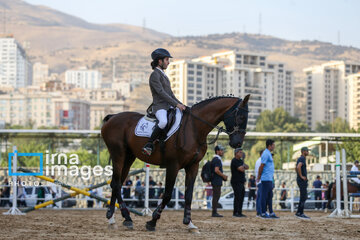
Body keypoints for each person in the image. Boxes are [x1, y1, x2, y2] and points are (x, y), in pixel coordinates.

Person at [142, 48, 186, 156]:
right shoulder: (154, 75)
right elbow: (161, 93)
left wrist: (182, 105)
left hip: (168, 106)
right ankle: (149, 144)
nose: (168, 62)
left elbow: (171, 94)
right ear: (159, 61)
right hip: (160, 107)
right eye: (166, 60)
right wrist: (176, 104)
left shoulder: (164, 76)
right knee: (163, 122)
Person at [257, 139, 279, 219]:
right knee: (264, 196)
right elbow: (261, 166)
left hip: (269, 179)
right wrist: (259, 176)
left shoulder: (268, 153)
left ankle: (271, 212)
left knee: (269, 196)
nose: (274, 146)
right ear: (270, 145)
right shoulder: (265, 154)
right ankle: (263, 213)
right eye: (273, 145)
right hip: (265, 179)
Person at [231, 148, 249, 217]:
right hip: (236, 181)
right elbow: (241, 169)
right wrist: (243, 166)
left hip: (241, 181)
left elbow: (247, 167)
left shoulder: (240, 161)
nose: (242, 154)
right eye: (240, 152)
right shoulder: (234, 160)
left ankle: (239, 212)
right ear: (236, 153)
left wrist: (243, 165)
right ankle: (235, 212)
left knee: (241, 197)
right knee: (237, 197)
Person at [211, 145, 228, 217]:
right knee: (216, 196)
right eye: (221, 150)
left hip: (214, 180)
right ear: (217, 151)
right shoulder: (217, 159)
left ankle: (214, 211)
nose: (222, 152)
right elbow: (216, 170)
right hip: (216, 180)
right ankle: (214, 212)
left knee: (216, 195)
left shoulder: (214, 159)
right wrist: (223, 176)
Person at [295, 146, 310, 219]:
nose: (308, 152)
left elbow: (296, 168)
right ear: (303, 151)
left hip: (301, 180)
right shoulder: (302, 158)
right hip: (302, 180)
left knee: (303, 196)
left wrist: (298, 175)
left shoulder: (301, 159)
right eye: (307, 151)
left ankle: (299, 212)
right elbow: (298, 167)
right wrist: (301, 176)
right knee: (303, 196)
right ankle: (300, 213)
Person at [255, 150, 263, 217]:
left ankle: (258, 212)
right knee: (261, 197)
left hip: (259, 181)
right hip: (262, 180)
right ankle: (260, 212)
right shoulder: (261, 161)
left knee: (259, 197)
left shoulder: (258, 160)